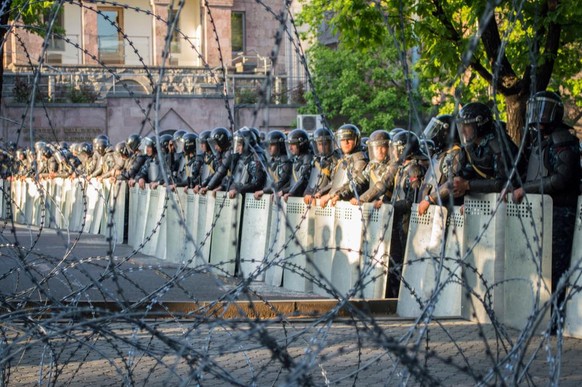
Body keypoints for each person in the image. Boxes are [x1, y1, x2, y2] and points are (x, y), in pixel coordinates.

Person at [511, 91, 580, 303]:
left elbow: (560, 179)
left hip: (560, 213)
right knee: (539, 267)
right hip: (542, 212)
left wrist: (526, 190)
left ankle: (555, 317)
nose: (538, 117)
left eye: (544, 111)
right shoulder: (541, 140)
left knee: (556, 269)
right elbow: (533, 173)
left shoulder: (563, 141)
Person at [452, 102, 522, 198]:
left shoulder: (500, 147)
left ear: (480, 125)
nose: (463, 131)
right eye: (461, 126)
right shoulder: (470, 148)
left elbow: (503, 183)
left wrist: (467, 185)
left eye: (467, 126)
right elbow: (464, 175)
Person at [418, 114, 464, 215]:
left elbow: (453, 184)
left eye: (436, 130)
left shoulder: (456, 154)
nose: (433, 135)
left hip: (446, 214)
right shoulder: (439, 154)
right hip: (431, 213)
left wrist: (430, 199)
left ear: (446, 132)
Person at [319, 124, 368, 207]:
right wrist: (320, 192)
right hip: (338, 202)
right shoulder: (343, 159)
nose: (346, 142)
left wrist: (335, 195)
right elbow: (335, 182)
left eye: (349, 139)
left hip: (353, 205)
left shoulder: (359, 159)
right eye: (342, 139)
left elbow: (355, 183)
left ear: (356, 140)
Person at [349, 129, 397, 205]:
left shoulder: (393, 166)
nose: (379, 151)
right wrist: (337, 194)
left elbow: (382, 185)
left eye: (383, 147)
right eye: (376, 148)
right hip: (373, 208)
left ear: (389, 148)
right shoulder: (371, 166)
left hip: (389, 208)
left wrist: (362, 199)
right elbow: (358, 181)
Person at [303, 127, 340, 205]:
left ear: (330, 144)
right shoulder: (315, 161)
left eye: (325, 144)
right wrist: (307, 194)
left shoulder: (336, 161)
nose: (322, 147)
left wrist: (320, 192)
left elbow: (335, 182)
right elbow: (310, 182)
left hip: (327, 201)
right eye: (319, 144)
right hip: (315, 201)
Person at [254, 130, 292, 200]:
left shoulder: (286, 162)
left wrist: (263, 191)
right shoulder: (271, 161)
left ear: (280, 145)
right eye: (268, 145)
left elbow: (280, 183)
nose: (269, 148)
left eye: (272, 145)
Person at [278, 129, 313, 201]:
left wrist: (290, 192)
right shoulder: (296, 159)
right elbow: (292, 181)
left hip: (303, 198)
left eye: (293, 144)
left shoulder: (308, 158)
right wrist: (281, 191)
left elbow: (303, 179)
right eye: (289, 144)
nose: (290, 148)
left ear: (301, 144)